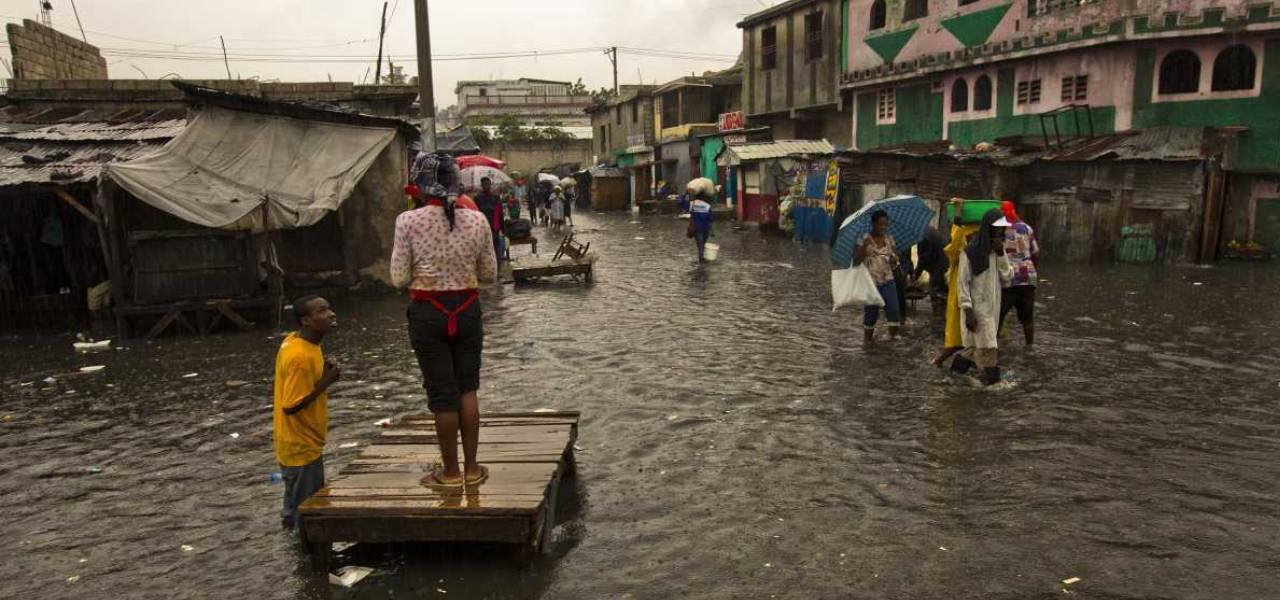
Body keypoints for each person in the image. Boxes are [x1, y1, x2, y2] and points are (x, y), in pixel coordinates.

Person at [391, 156, 498, 489]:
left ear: (420, 187)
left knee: (442, 394)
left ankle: (449, 474)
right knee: (467, 388)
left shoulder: (407, 221)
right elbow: (489, 275)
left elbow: (398, 278)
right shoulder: (477, 220)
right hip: (466, 310)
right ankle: (472, 470)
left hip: (428, 313)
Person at [273, 295, 341, 531]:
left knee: (293, 504)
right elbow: (290, 406)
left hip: (291, 442)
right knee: (308, 510)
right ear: (306, 321)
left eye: (329, 308)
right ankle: (309, 558)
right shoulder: (299, 356)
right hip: (302, 444)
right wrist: (326, 381)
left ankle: (291, 537)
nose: (331, 314)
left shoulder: (295, 341)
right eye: (322, 311)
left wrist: (322, 369)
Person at [952, 209, 1013, 385]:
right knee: (989, 349)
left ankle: (952, 378)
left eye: (1002, 230)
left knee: (973, 349)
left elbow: (1007, 278)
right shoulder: (970, 252)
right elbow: (962, 284)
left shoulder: (998, 252)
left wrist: (1001, 255)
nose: (1000, 233)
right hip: (977, 311)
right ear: (988, 229)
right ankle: (994, 389)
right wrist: (968, 311)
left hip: (992, 309)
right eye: (997, 229)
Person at [934, 199, 981, 366]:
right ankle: (939, 361)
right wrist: (959, 212)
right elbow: (955, 244)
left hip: (979, 287)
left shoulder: (980, 237)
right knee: (958, 330)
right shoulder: (963, 244)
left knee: (975, 332)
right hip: (963, 285)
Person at [854, 210, 901, 342]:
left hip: (888, 280)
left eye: (885, 225)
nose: (883, 227)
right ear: (873, 224)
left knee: (893, 311)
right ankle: (868, 343)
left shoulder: (890, 240)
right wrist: (864, 246)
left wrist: (894, 260)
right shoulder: (864, 239)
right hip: (871, 282)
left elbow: (896, 260)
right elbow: (856, 261)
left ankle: (893, 340)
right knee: (871, 313)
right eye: (880, 224)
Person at [999, 201, 1038, 347]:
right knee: (1027, 318)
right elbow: (1035, 252)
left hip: (1007, 278)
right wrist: (1032, 270)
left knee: (999, 316)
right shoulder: (1027, 228)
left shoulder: (1000, 229)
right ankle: (1029, 348)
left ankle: (993, 350)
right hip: (1027, 278)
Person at [913, 226, 949, 318]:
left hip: (939, 263)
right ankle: (944, 312)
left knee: (933, 288)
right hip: (943, 260)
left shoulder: (923, 237)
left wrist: (916, 274)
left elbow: (923, 258)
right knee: (942, 287)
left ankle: (936, 315)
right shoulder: (928, 230)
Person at [473, 177, 506, 263]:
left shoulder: (496, 198)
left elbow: (500, 214)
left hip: (494, 227)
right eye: (484, 184)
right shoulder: (477, 199)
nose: (486, 186)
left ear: (490, 185)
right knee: (483, 248)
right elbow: (475, 213)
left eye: (488, 184)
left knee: (495, 248)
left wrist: (503, 229)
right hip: (482, 228)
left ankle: (497, 266)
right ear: (482, 186)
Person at [688, 189, 713, 262]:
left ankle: (701, 257)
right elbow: (710, 218)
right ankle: (701, 258)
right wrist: (712, 230)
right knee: (703, 242)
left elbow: (691, 214)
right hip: (705, 227)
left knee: (700, 244)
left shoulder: (693, 204)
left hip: (696, 227)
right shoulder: (707, 205)